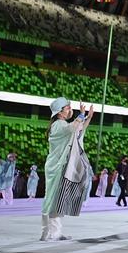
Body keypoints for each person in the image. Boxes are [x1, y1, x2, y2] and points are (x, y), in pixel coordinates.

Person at [41, 98, 95, 241]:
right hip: (57, 166)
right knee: (54, 199)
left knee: (54, 198)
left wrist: (87, 117)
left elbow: (78, 129)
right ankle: (52, 233)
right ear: (60, 111)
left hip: (58, 165)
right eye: (68, 107)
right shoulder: (59, 124)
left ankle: (49, 232)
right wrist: (81, 115)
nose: (70, 110)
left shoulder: (62, 124)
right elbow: (72, 128)